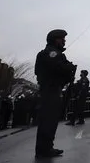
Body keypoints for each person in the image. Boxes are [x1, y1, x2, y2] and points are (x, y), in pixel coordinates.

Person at [34, 29, 77, 158]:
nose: (64, 41)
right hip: (50, 90)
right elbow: (59, 68)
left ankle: (47, 147)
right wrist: (69, 68)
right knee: (48, 120)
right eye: (61, 38)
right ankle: (43, 150)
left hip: (53, 89)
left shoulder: (54, 53)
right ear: (54, 39)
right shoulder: (51, 53)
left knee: (51, 121)